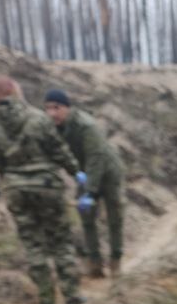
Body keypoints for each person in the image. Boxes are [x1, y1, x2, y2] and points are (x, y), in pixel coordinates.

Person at [0, 75, 84, 304]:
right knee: (60, 241)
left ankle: (47, 300)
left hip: (16, 191)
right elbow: (59, 151)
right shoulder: (38, 118)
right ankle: (72, 296)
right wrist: (75, 170)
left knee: (33, 245)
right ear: (15, 92)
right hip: (47, 186)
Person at [44, 88, 125, 278]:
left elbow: (96, 158)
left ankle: (116, 261)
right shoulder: (53, 127)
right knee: (87, 218)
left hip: (108, 173)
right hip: (85, 173)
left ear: (67, 108)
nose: (52, 113)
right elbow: (53, 154)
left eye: (56, 108)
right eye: (47, 108)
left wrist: (90, 192)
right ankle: (95, 263)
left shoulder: (85, 125)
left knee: (115, 217)